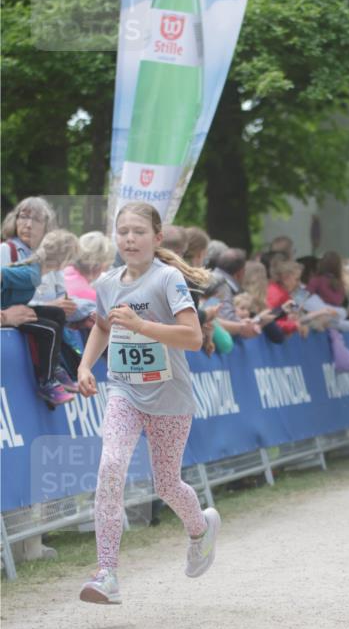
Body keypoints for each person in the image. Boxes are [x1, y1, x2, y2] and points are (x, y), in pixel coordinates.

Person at [76, 201, 221, 605]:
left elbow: (193, 338)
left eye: (138, 232)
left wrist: (142, 325)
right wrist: (85, 365)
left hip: (170, 395)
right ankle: (107, 573)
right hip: (124, 391)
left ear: (157, 238)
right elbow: (102, 327)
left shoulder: (168, 279)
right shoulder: (108, 283)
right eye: (123, 232)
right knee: (110, 467)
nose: (129, 239)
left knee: (167, 484)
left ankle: (200, 529)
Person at [1, 229, 81, 405]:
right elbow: (3, 274)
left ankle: (56, 365)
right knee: (50, 330)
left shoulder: (35, 274)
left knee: (57, 313)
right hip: (7, 314)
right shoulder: (30, 275)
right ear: (63, 260)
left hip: (14, 309)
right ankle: (47, 383)